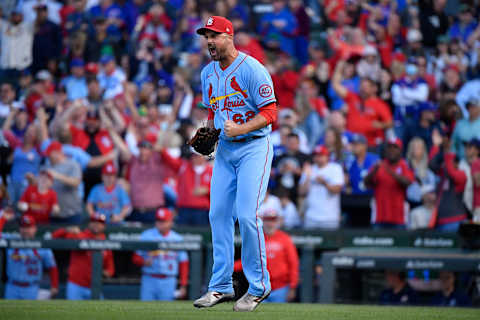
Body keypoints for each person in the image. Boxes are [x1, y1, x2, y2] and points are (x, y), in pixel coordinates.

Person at [193, 16, 278, 312]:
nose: (209, 41)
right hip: (227, 151)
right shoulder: (207, 73)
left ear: (229, 36)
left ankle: (258, 286)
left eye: (214, 35)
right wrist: (208, 132)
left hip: (255, 146)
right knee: (217, 214)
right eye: (206, 36)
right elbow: (214, 112)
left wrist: (239, 130)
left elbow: (270, 113)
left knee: (247, 214)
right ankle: (221, 286)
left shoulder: (253, 69)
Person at [234, 209, 299, 303]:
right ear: (263, 221)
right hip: (261, 288)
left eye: (273, 220)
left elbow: (293, 264)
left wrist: (293, 287)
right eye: (268, 220)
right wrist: (231, 267)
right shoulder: (257, 239)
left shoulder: (285, 239)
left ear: (277, 221)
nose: (270, 223)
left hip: (281, 288)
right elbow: (249, 261)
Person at [52, 213, 115, 300]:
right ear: (89, 223)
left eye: (100, 222)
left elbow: (110, 268)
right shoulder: (79, 235)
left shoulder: (106, 243)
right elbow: (54, 237)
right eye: (94, 221)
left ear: (104, 226)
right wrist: (66, 230)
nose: (96, 224)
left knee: (99, 311)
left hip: (94, 286)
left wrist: (106, 272)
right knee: (73, 312)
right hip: (76, 285)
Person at [132, 208, 189, 301]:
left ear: (170, 222)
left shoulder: (177, 239)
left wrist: (183, 285)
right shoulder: (146, 235)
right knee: (145, 310)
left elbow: (183, 263)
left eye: (163, 221)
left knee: (166, 311)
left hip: (169, 280)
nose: (160, 224)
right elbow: (135, 258)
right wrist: (143, 262)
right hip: (149, 278)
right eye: (158, 221)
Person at [3, 215, 59, 300]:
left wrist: (54, 286)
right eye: (23, 227)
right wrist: (3, 219)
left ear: (35, 228)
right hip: (12, 286)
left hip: (31, 288)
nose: (26, 230)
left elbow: (52, 266)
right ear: (19, 228)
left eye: (29, 227)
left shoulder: (42, 244)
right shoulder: (11, 239)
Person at [364, 138, 414, 229]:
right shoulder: (379, 165)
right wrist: (374, 171)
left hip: (399, 218)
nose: (392, 150)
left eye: (395, 147)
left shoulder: (404, 165)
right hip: (380, 217)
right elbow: (366, 184)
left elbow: (407, 182)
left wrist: (389, 171)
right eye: (389, 147)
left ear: (400, 150)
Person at [299, 145, 345, 229]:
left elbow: (337, 190)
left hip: (330, 218)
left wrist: (324, 183)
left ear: (327, 156)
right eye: (316, 155)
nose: (318, 158)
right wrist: (308, 178)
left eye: (321, 155)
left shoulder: (335, 168)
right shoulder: (309, 169)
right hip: (311, 217)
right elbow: (301, 193)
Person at [44, 141, 83, 223]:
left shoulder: (73, 165)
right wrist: (32, 180)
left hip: (71, 213)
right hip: (53, 213)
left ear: (58, 153)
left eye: (50, 154)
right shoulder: (47, 166)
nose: (48, 157)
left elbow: (76, 182)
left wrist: (57, 176)